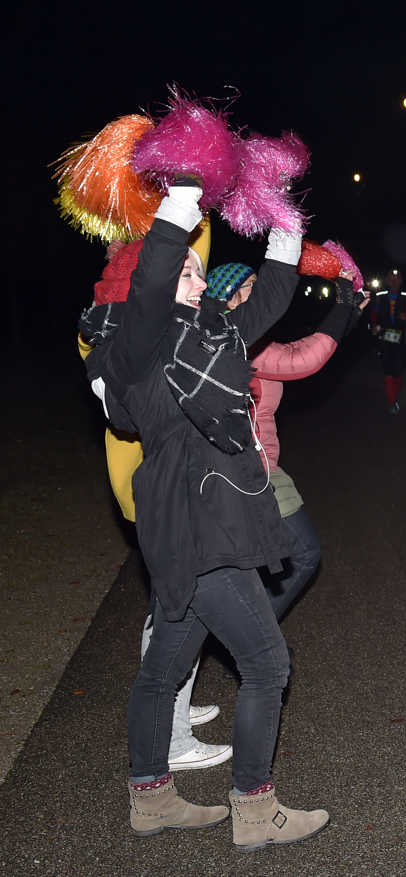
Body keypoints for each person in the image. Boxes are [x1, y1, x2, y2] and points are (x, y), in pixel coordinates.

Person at [90, 177, 329, 845]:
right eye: (186, 272)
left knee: (163, 668)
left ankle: (151, 798)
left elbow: (274, 296)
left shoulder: (213, 339)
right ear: (151, 286)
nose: (198, 282)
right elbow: (156, 274)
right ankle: (255, 807)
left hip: (192, 528)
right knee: (268, 662)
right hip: (198, 528)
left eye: (200, 271)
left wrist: (284, 219)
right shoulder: (139, 352)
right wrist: (184, 194)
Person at [81, 230, 232, 772]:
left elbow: (193, 253)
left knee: (173, 606)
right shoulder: (115, 326)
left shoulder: (125, 315)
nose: (193, 277)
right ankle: (168, 740)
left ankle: (175, 714)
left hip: (159, 481)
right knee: (173, 608)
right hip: (153, 484)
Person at [206, 260, 366, 620]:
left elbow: (296, 349)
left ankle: (244, 639)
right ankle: (253, 640)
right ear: (229, 299)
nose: (261, 292)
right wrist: (341, 307)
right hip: (249, 473)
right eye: (250, 285)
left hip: (245, 468)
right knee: (303, 551)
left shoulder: (243, 337)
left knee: (251, 564)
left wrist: (347, 317)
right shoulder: (237, 340)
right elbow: (302, 360)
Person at [369, 269, 406, 413]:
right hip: (384, 339)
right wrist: (373, 326)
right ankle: (392, 402)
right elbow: (373, 315)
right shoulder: (380, 297)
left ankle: (393, 396)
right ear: (387, 281)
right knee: (388, 370)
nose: (394, 281)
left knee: (399, 371)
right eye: (391, 279)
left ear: (401, 281)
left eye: (397, 279)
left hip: (402, 339)